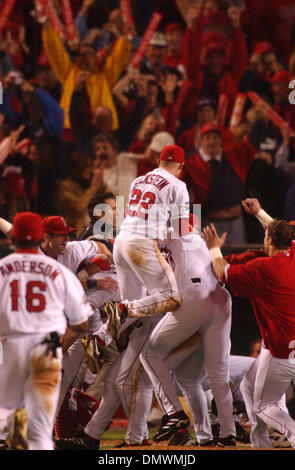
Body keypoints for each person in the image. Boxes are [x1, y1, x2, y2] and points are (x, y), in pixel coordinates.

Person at [0, 212, 92, 450]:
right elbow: (82, 323)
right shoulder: (58, 271)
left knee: (14, 424)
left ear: (13, 239)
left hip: (10, 351)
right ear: (41, 237)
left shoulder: (2, 268)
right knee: (40, 430)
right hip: (46, 351)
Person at [202, 218, 295, 448]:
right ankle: (260, 443)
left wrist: (214, 248)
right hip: (280, 345)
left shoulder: (264, 267)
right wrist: (260, 212)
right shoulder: (293, 255)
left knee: (264, 406)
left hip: (282, 351)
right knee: (247, 386)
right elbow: (280, 231)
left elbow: (223, 272)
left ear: (269, 240)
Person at [104, 144, 190, 340]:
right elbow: (181, 230)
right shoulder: (178, 185)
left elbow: (128, 215)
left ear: (158, 161)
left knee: (138, 312)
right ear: (181, 166)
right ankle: (122, 310)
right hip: (141, 244)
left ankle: (101, 338)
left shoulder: (139, 180)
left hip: (121, 241)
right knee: (171, 298)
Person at [183, 122, 257, 243]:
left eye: (215, 138)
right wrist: (192, 225)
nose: (211, 141)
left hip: (237, 222)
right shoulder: (190, 160)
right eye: (207, 138)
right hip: (208, 223)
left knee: (239, 259)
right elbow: (178, 192)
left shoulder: (232, 155)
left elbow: (251, 145)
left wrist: (254, 121)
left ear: (220, 141)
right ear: (201, 141)